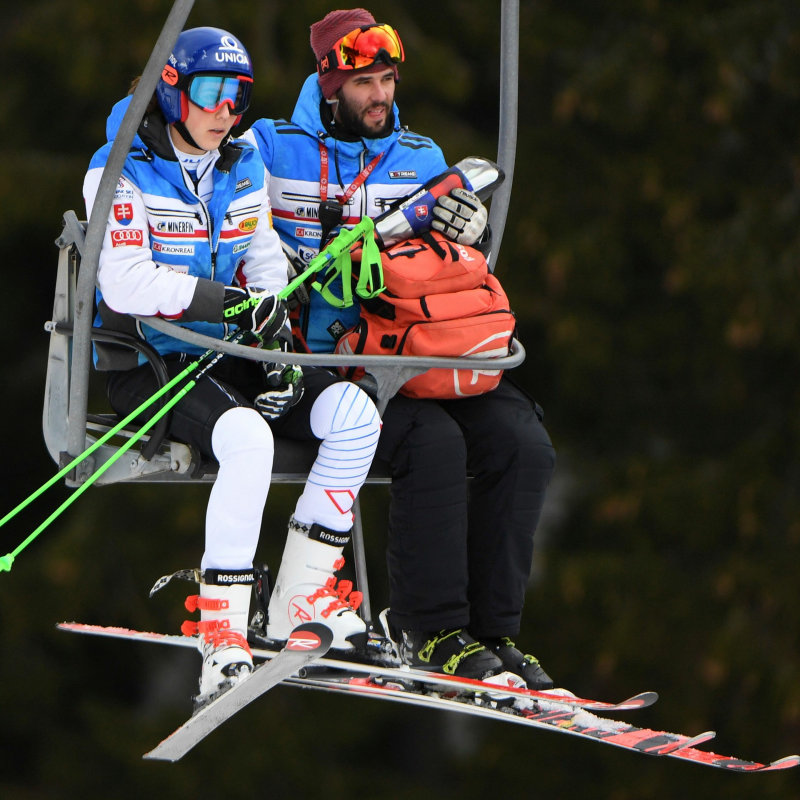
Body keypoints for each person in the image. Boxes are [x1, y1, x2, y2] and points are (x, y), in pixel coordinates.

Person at [244, 9, 557, 688]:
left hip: (416, 351)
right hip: (324, 362)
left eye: (387, 80)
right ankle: (427, 627)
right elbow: (224, 211)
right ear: (330, 86)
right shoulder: (271, 147)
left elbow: (450, 271)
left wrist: (468, 233)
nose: (380, 96)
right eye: (365, 83)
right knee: (431, 443)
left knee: (522, 443)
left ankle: (493, 634)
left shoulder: (419, 158)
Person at [83, 27, 380, 706]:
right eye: (213, 92)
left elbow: (264, 257)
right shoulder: (120, 166)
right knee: (247, 438)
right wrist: (233, 305)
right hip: (150, 359)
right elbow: (124, 281)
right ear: (172, 91)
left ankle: (299, 594)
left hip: (231, 353)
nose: (226, 110)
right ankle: (222, 636)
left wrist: (277, 345)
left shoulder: (241, 163)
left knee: (355, 416)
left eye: (239, 96)